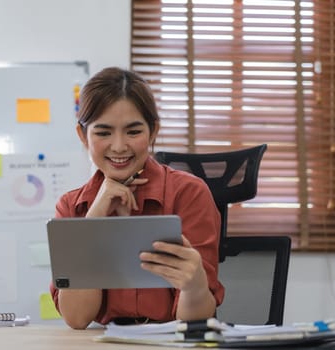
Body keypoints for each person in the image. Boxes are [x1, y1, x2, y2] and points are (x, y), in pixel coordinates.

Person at [51, 67, 224, 329]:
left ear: (153, 131)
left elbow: (195, 322)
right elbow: (77, 318)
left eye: (133, 132)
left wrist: (194, 285)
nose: (119, 146)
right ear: (82, 136)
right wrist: (92, 221)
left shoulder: (189, 194)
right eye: (103, 132)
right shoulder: (71, 206)